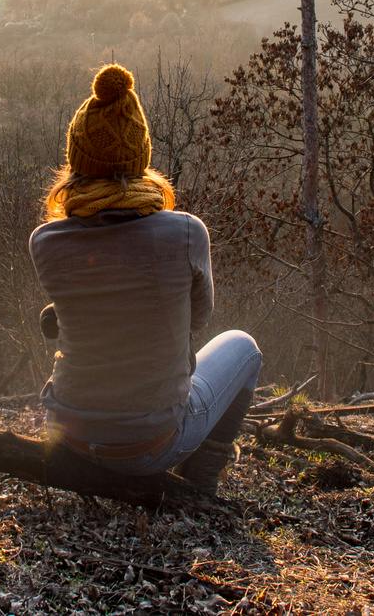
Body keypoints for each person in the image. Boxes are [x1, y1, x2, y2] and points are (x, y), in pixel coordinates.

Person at [29, 62, 262, 491]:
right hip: (149, 446)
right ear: (142, 157)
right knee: (244, 348)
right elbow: (197, 320)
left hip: (69, 437)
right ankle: (203, 474)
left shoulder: (45, 241)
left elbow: (89, 301)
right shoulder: (186, 233)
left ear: (76, 160)